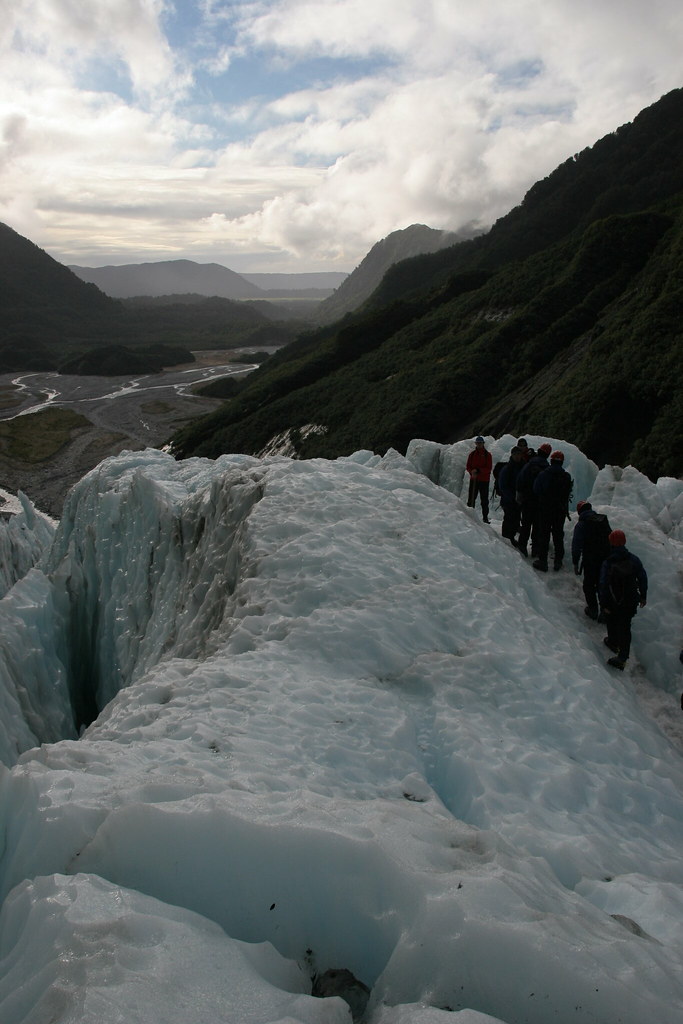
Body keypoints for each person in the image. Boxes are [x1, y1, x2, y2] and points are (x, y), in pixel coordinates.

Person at [598, 530, 647, 670]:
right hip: (630, 600)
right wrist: (643, 595)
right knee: (625, 627)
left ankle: (613, 642)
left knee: (611, 620)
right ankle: (623, 656)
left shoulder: (608, 562)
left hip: (613, 601)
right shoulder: (633, 559)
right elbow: (642, 578)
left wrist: (603, 603)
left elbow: (603, 584)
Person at [532, 450, 573, 572]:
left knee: (544, 534)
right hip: (559, 510)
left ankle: (543, 561)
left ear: (551, 460)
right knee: (558, 534)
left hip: (545, 508)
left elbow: (536, 489)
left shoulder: (543, 474)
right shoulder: (566, 476)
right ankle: (558, 561)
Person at [572, 500, 612, 619]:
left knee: (589, 585)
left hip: (590, 559)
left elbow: (576, 545)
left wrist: (575, 561)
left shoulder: (581, 525)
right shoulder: (602, 520)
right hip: (605, 558)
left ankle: (593, 609)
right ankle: (605, 611)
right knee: (603, 584)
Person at [515, 442, 552, 557]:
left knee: (526, 524)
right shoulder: (547, 468)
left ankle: (522, 546)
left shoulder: (529, 465)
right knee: (537, 526)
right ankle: (535, 548)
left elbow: (520, 480)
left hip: (527, 500)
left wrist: (519, 495)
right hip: (540, 502)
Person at [498, 445, 525, 544]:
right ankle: (506, 540)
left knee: (516, 519)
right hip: (509, 500)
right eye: (515, 454)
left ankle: (511, 538)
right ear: (512, 455)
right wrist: (513, 497)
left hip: (518, 500)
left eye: (519, 454)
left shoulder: (523, 467)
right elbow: (503, 486)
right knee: (509, 519)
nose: (517, 456)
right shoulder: (507, 469)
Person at [466, 436, 492, 523]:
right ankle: (469, 515)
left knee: (484, 500)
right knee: (471, 498)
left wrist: (478, 470)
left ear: (483, 443)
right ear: (476, 444)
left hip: (484, 480)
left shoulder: (487, 455)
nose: (479, 444)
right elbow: (468, 466)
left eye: (480, 443)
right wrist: (472, 472)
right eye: (478, 443)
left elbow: (488, 468)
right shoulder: (472, 454)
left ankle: (485, 517)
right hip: (474, 479)